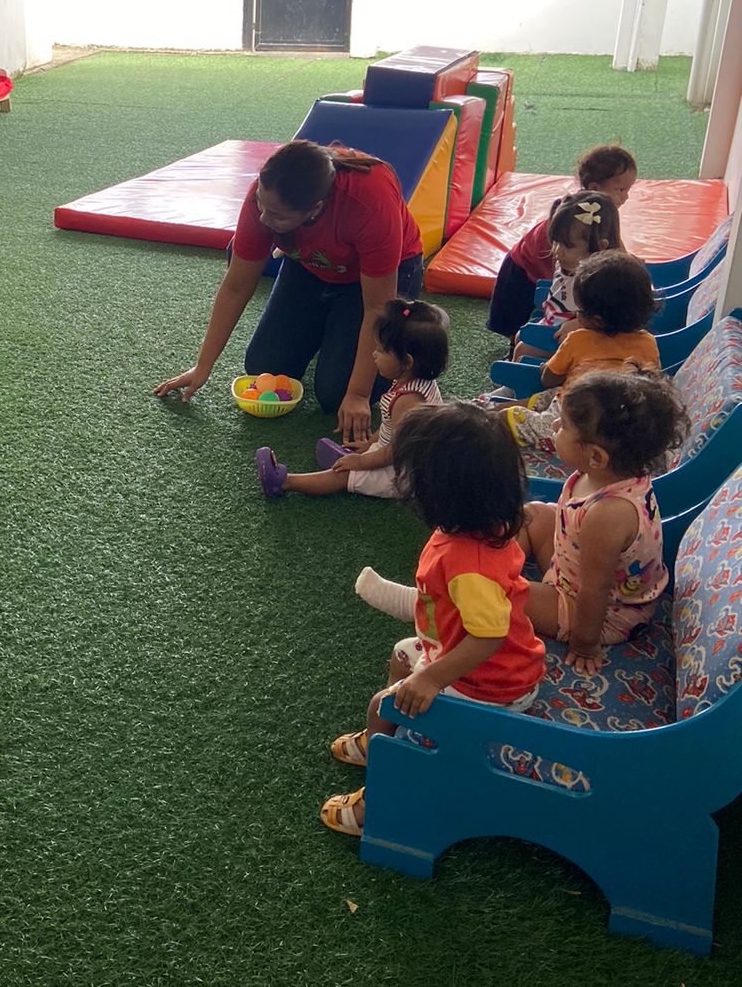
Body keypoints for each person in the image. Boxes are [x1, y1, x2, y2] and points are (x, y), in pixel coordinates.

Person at [320, 404, 546, 837]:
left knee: (385, 703)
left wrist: (431, 679)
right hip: (478, 662)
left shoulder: (470, 565)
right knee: (401, 657)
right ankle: (380, 740)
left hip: (492, 685)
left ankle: (380, 800)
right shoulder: (481, 528)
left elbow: (489, 637)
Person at [153, 140, 423, 445]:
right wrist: (203, 366)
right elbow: (236, 285)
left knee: (335, 394)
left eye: (278, 216)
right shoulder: (266, 197)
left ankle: (356, 330)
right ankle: (333, 328)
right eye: (261, 205)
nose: (264, 219)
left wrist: (358, 394)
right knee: (264, 368)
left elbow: (376, 308)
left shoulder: (368, 200)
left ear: (315, 209)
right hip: (312, 266)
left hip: (384, 276)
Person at [518, 371, 689, 679]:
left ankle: (487, 578)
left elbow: (594, 590)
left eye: (563, 426)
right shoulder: (606, 475)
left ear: (596, 456)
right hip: (570, 569)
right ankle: (493, 559)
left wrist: (585, 644)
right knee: (534, 515)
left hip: (601, 614)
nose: (554, 426)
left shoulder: (608, 514)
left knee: (505, 594)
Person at [255, 298, 447, 499]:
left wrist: (361, 462)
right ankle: (352, 459)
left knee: (342, 475)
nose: (373, 354)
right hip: (407, 457)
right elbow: (391, 427)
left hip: (404, 474)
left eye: (381, 351)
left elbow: (395, 450)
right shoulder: (414, 382)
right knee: (355, 462)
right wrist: (368, 445)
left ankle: (282, 482)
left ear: (407, 362)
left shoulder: (409, 401)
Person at [501, 250, 661, 453]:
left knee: (522, 415)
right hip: (623, 422)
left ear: (596, 320)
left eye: (579, 311)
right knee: (557, 394)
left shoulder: (578, 339)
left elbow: (548, 378)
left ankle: (499, 415)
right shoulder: (649, 342)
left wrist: (546, 368)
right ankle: (527, 405)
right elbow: (651, 381)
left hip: (578, 419)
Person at [488, 144, 637, 347]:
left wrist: (628, 265)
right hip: (522, 270)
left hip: (555, 276)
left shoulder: (600, 216)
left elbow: (614, 245)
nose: (625, 197)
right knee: (514, 326)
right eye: (620, 190)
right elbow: (560, 264)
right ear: (595, 188)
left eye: (628, 190)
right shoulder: (573, 223)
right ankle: (518, 348)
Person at [512, 191, 622, 361]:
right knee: (520, 337)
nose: (557, 251)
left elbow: (614, 315)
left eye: (568, 246)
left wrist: (580, 323)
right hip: (556, 325)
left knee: (523, 349)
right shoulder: (568, 263)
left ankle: (517, 378)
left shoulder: (602, 280)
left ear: (600, 247)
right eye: (555, 241)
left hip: (581, 338)